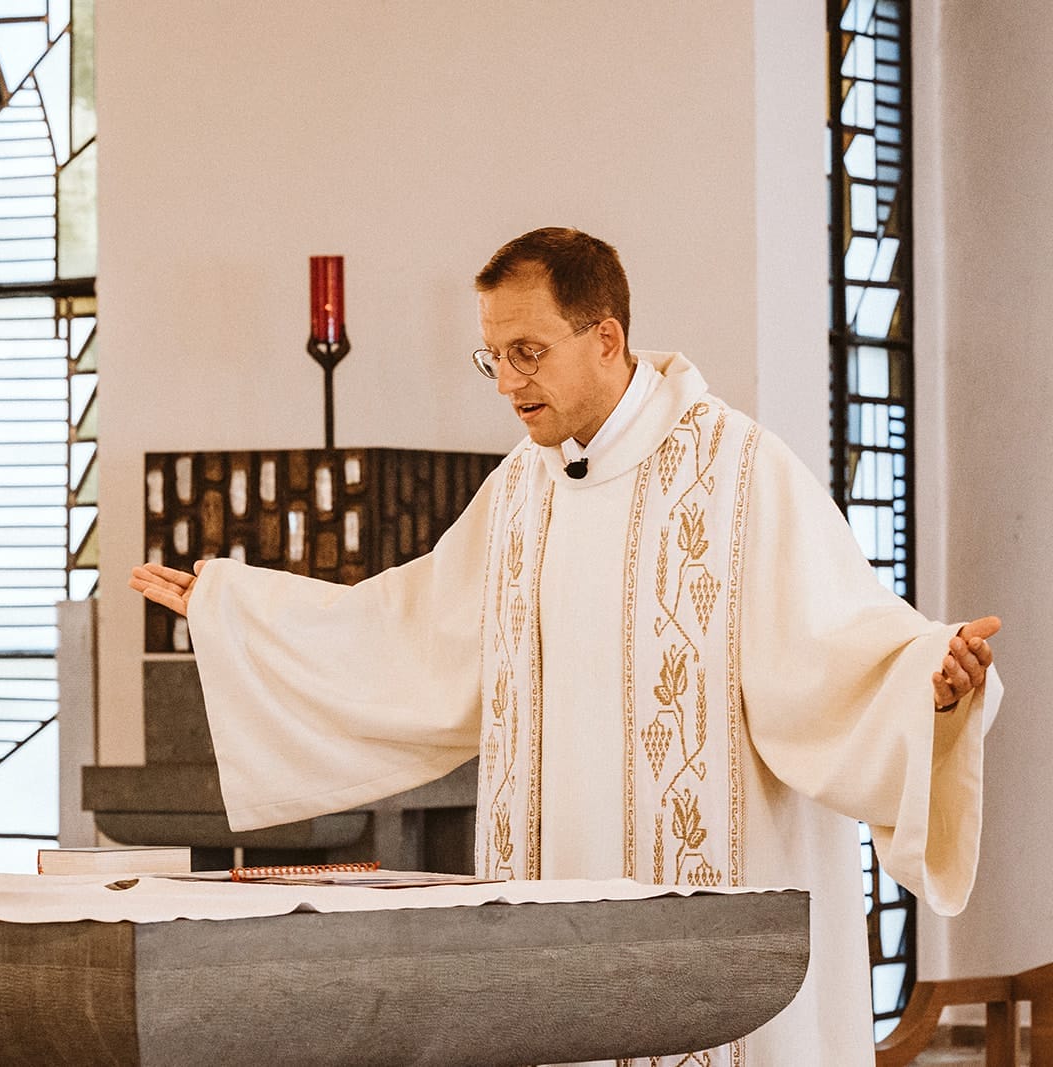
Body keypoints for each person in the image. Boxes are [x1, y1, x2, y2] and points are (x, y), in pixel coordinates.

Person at [129, 227, 1002, 1066]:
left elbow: (837, 644)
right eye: (493, 357)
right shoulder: (519, 493)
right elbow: (409, 634)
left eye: (528, 351)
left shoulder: (739, 474)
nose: (506, 381)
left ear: (606, 337)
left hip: (708, 928)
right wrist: (236, 610)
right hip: (554, 917)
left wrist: (927, 677)